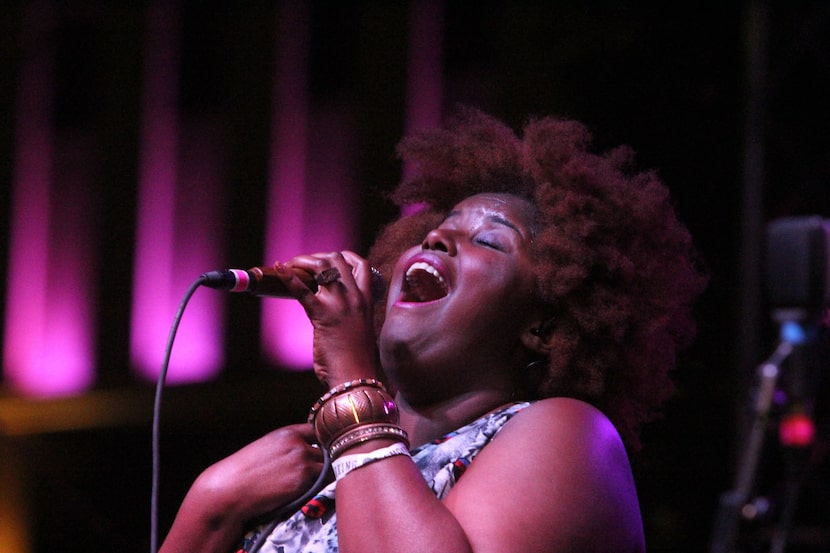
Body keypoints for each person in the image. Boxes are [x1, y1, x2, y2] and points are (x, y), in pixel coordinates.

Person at [159, 107, 707, 553]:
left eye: (490, 241)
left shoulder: (568, 435)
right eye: (436, 232)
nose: (437, 241)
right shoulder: (325, 475)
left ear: (542, 326)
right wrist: (210, 509)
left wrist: (351, 386)